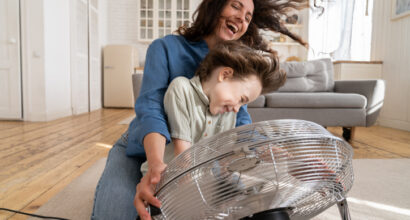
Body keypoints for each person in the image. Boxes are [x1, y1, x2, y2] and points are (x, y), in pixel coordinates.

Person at [91, 0, 308, 220]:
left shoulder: (239, 73)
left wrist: (287, 157)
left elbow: (241, 127)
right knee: (113, 213)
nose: (242, 18)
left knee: (239, 203)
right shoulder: (166, 48)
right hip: (142, 147)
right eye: (236, 6)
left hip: (195, 158)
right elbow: (151, 109)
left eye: (248, 17)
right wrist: (157, 166)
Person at [140, 41, 285, 177]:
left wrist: (263, 153)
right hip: (166, 179)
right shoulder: (182, 89)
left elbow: (223, 158)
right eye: (241, 99)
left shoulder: (227, 113)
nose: (237, 109)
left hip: (200, 177)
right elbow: (183, 157)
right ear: (225, 75)